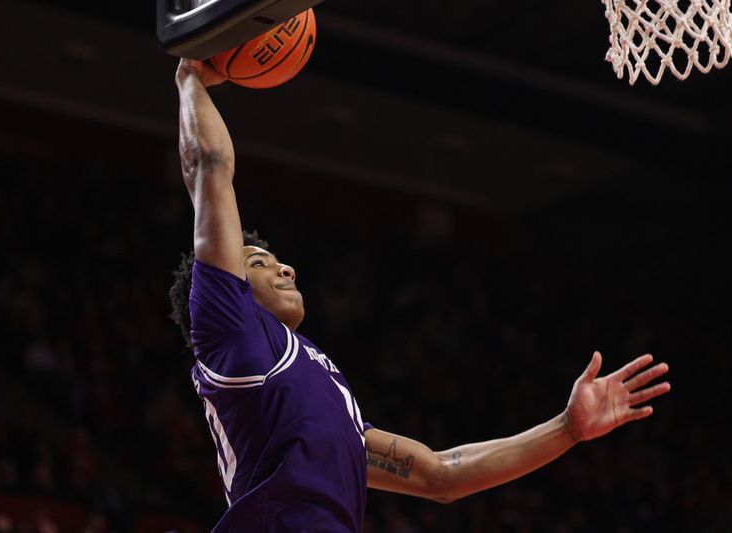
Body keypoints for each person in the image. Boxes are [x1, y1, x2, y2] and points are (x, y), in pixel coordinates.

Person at [169, 58, 671, 533]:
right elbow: (210, 167)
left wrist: (567, 428)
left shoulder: (320, 388)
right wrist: (191, 76)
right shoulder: (229, 330)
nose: (285, 266)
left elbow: (440, 474)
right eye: (257, 262)